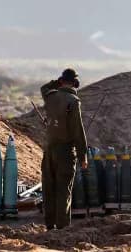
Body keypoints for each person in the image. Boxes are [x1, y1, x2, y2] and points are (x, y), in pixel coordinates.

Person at [40, 68, 88, 230]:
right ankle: (62, 228)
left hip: (49, 152)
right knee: (63, 190)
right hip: (66, 153)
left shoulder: (50, 96)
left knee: (49, 188)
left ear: (61, 81)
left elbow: (44, 88)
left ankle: (49, 225)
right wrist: (83, 156)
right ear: (75, 83)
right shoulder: (74, 101)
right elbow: (78, 131)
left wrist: (57, 82)